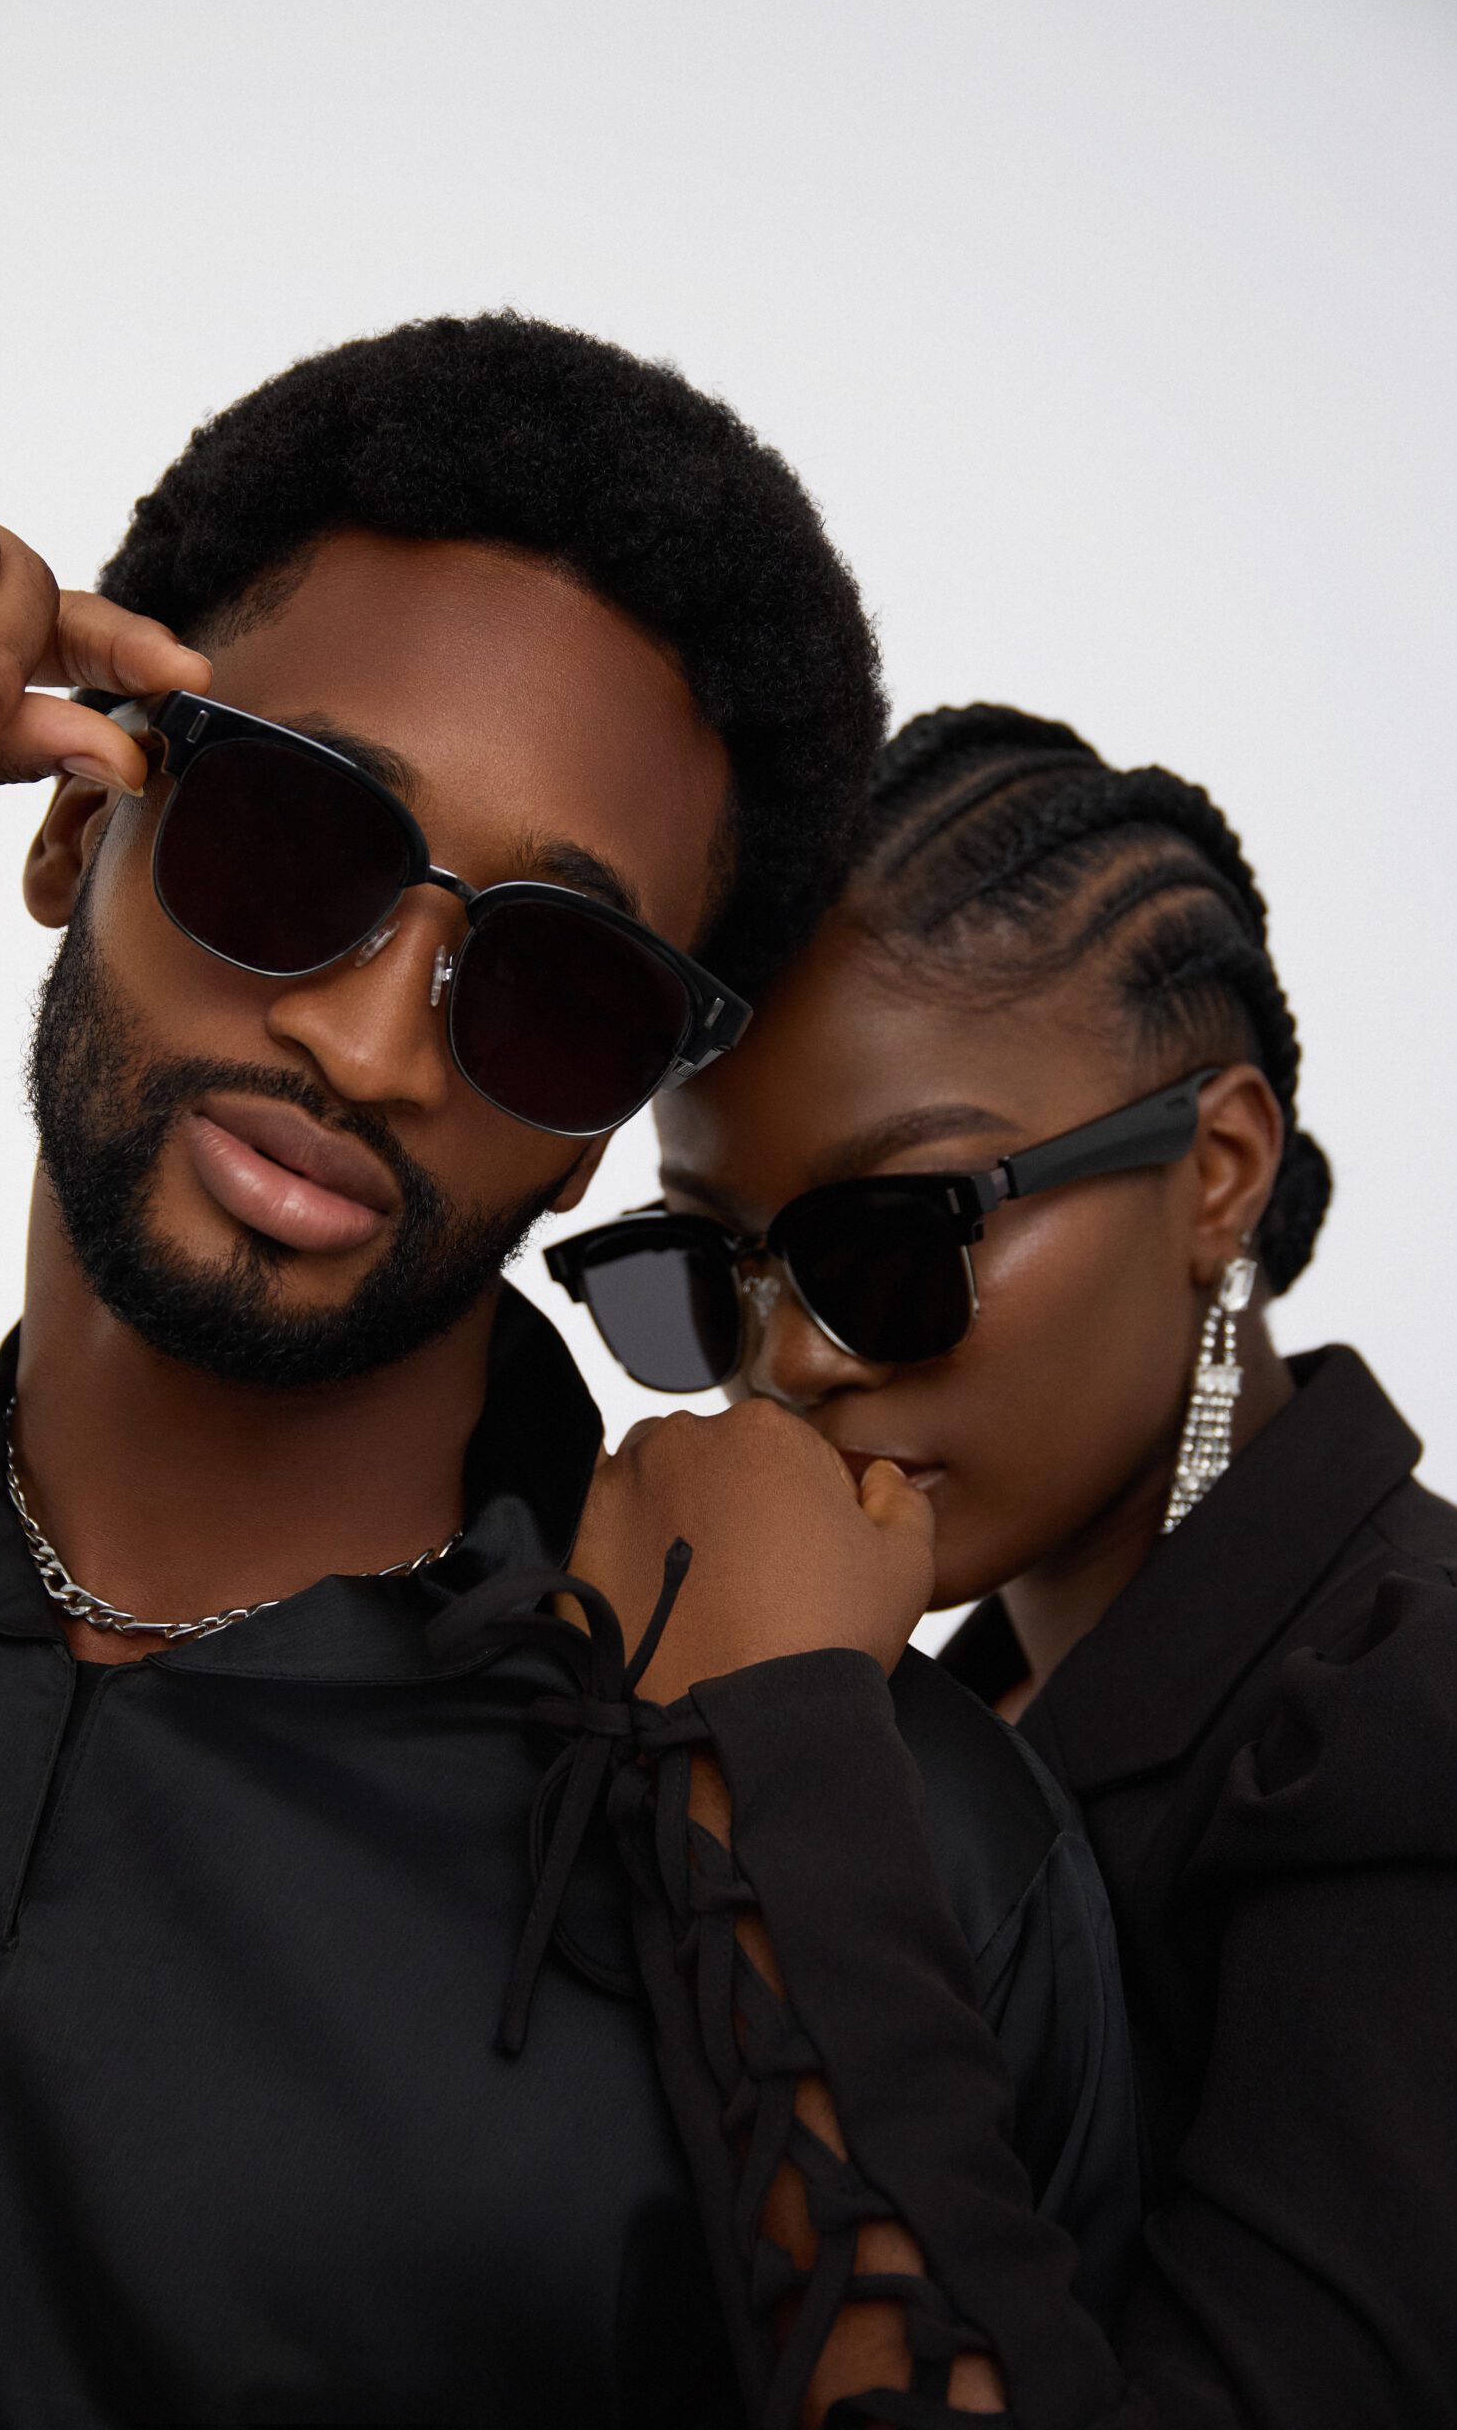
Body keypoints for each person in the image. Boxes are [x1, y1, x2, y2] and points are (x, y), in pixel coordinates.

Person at [0, 361, 1139, 2430]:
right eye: (293, 836)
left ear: (600, 1134)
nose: (375, 1043)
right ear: (77, 814)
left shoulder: (886, 1843)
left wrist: (772, 1813)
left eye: (555, 988)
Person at [553, 699, 1457, 2426]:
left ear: (1217, 1171)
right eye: (710, 1270)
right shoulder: (959, 1702)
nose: (788, 1362)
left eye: (895, 1242)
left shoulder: (1407, 1726)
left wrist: (771, 1740)